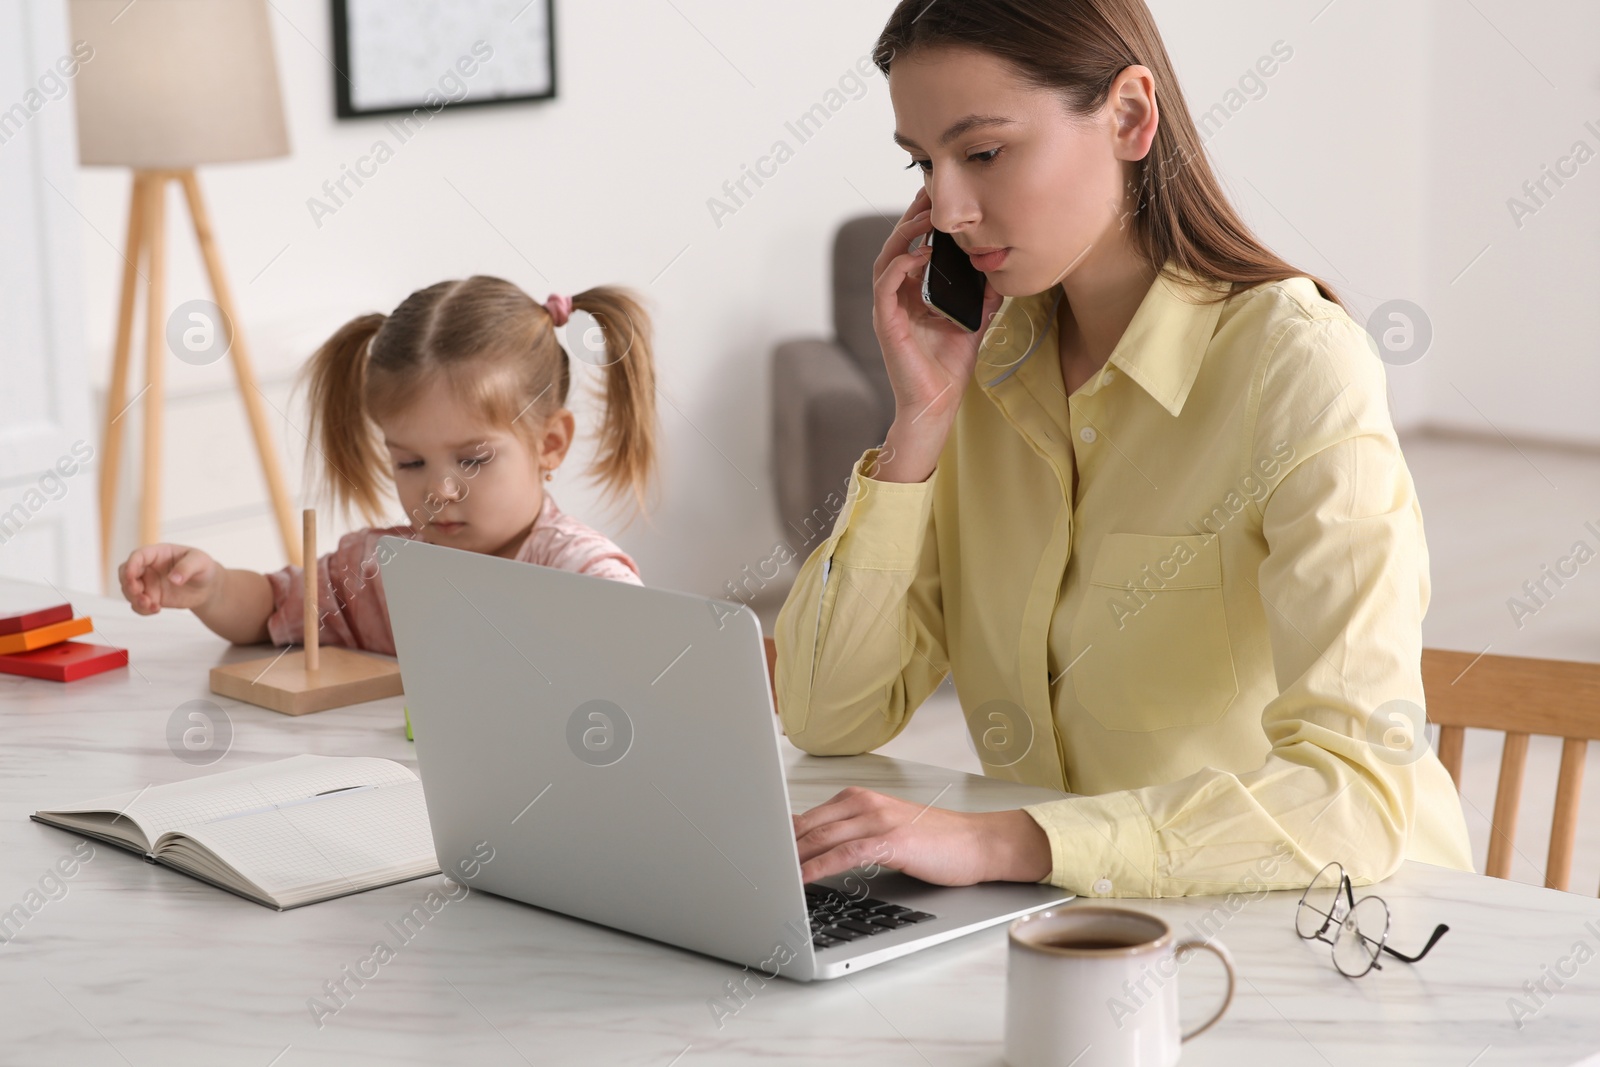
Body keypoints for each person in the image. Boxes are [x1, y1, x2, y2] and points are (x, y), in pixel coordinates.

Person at [776, 0, 1474, 898]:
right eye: (924, 163)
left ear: (1131, 117)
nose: (946, 207)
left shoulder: (1296, 365)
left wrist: (1001, 842)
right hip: (1089, 921)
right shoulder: (982, 366)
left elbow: (1355, 797)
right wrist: (919, 421)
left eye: (983, 152)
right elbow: (828, 713)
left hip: (1336, 928)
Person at [118, 276, 658, 655]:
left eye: (472, 459)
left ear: (550, 444)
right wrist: (211, 589)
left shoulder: (583, 576)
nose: (440, 489)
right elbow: (271, 609)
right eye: (410, 461)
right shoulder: (378, 571)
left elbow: (645, 671)